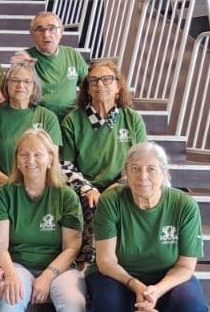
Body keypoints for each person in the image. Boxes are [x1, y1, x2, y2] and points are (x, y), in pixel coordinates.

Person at [88, 143, 210, 312]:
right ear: (126, 174)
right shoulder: (112, 201)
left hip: (167, 277)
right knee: (107, 301)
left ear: (164, 174)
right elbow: (106, 260)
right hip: (118, 273)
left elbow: (186, 266)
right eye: (135, 169)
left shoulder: (184, 205)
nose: (143, 176)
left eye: (151, 169)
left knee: (194, 307)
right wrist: (135, 285)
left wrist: (155, 290)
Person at [0, 129, 85, 312]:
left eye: (37, 154)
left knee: (73, 302)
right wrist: (10, 274)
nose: (31, 160)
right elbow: (1, 246)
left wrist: (46, 277)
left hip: (58, 267)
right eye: (24, 154)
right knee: (12, 294)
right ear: (17, 161)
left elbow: (72, 247)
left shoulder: (65, 196)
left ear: (49, 159)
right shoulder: (5, 194)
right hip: (17, 262)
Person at [60, 59, 148, 263]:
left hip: (124, 184)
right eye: (93, 81)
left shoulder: (132, 119)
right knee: (91, 204)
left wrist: (118, 186)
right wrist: (88, 188)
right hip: (87, 188)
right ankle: (91, 264)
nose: (100, 84)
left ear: (118, 86)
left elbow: (141, 160)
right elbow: (65, 165)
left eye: (107, 79)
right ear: (87, 90)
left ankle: (137, 260)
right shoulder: (73, 120)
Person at [0, 62, 62, 186]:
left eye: (27, 81)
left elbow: (53, 160)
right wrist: (9, 183)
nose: (20, 85)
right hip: (2, 185)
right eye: (14, 80)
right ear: (6, 84)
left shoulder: (48, 117)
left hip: (40, 185)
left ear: (35, 86)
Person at [26, 12, 87, 118]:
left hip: (70, 117)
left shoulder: (73, 55)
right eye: (40, 30)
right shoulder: (26, 58)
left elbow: (88, 86)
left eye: (52, 28)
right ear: (32, 34)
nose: (46, 35)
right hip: (38, 118)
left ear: (61, 31)